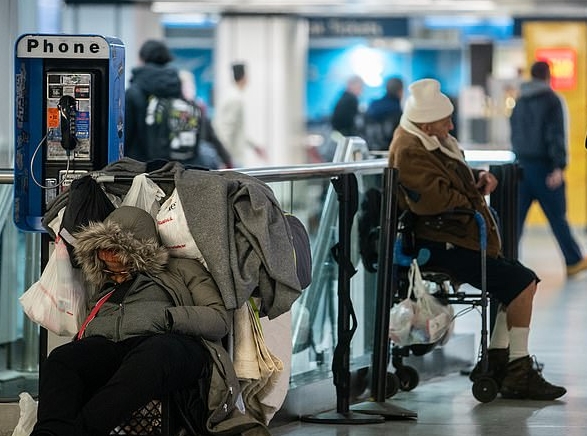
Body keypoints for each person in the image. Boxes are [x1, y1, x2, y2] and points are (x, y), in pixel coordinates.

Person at [388, 78, 566, 401]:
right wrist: (474, 194)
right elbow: (433, 200)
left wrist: (476, 177)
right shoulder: (410, 150)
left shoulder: (428, 141)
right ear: (427, 125)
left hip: (453, 238)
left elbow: (448, 177)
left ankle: (498, 361)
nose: (451, 125)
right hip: (440, 244)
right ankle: (518, 370)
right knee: (521, 282)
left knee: (518, 282)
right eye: (446, 121)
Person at [29, 206, 255, 436]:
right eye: (109, 270)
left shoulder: (182, 270)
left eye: (121, 269)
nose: (116, 277)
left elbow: (218, 319)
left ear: (138, 254)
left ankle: (79, 432)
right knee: (61, 359)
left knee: (154, 355)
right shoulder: (107, 284)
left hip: (172, 347)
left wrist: (168, 318)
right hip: (116, 347)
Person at [510, 60, 587, 277]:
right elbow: (555, 135)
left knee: (515, 222)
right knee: (557, 217)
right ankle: (573, 261)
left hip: (520, 167)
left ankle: (508, 263)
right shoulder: (551, 100)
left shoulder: (519, 101)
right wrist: (558, 166)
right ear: (548, 76)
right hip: (544, 168)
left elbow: (513, 133)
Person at [124, 39, 182, 162]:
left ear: (142, 58)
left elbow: (125, 133)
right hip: (171, 163)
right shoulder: (175, 86)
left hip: (137, 164)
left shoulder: (134, 92)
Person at [213, 62, 265, 167]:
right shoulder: (235, 99)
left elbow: (238, 129)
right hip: (233, 157)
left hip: (233, 156)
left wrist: (254, 146)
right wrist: (225, 159)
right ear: (244, 77)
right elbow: (227, 129)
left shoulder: (230, 95)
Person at [178, 69, 234, 169]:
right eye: (186, 86)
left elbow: (212, 136)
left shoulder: (198, 109)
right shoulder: (176, 112)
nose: (190, 89)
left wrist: (227, 161)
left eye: (191, 85)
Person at [363, 76, 404, 151]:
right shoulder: (397, 111)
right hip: (389, 149)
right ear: (400, 91)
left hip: (370, 148)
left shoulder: (373, 105)